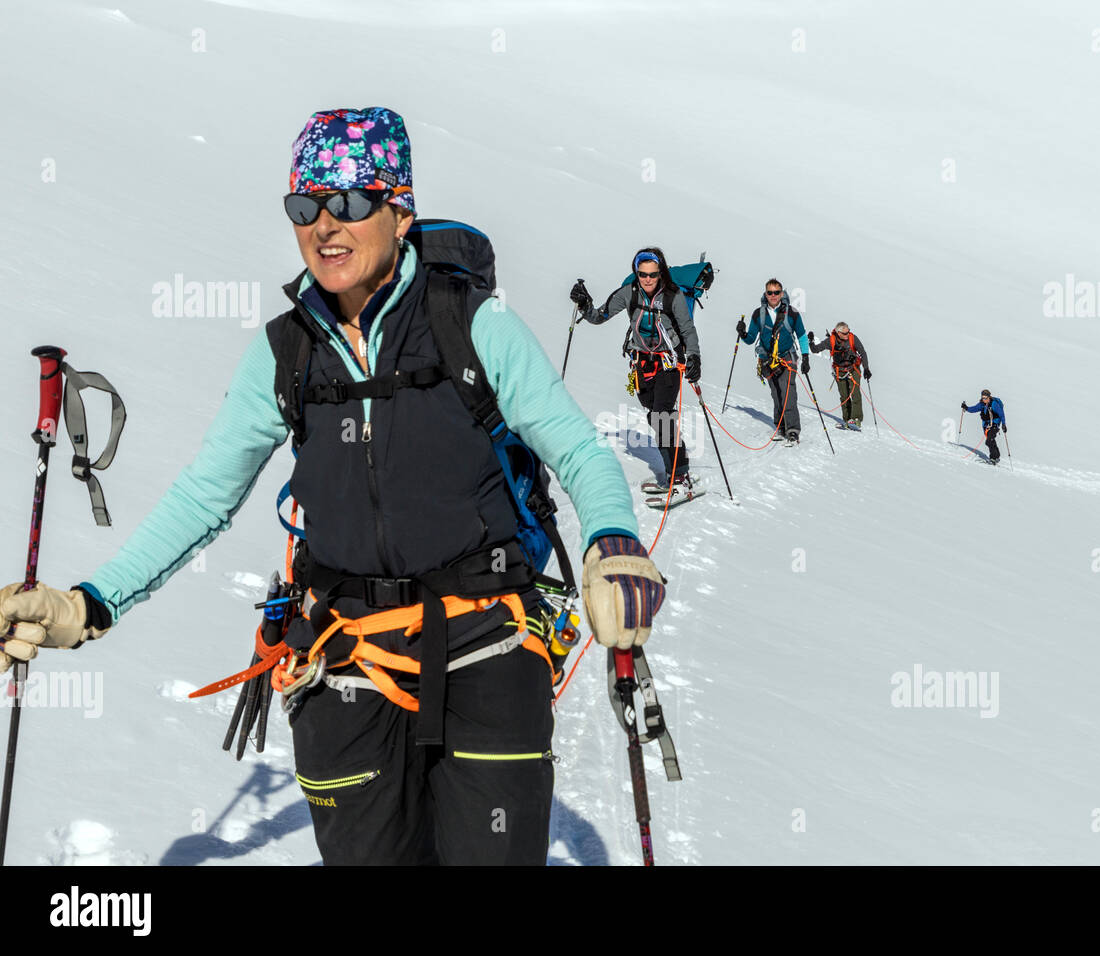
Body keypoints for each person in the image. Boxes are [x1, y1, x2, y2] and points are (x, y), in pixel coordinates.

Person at [0, 106, 668, 866]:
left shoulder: (474, 327)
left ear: (400, 207)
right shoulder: (284, 354)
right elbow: (203, 498)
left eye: (350, 201)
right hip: (344, 656)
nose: (325, 224)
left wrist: (614, 542)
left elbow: (579, 450)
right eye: (304, 205)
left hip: (486, 641)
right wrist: (89, 603)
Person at [569, 251, 700, 486]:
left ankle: (678, 475)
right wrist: (584, 304)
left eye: (653, 274)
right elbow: (600, 316)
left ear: (661, 273)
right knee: (655, 412)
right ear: (636, 272)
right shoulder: (628, 293)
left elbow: (688, 329)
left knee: (661, 414)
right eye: (642, 274)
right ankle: (677, 460)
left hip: (668, 362)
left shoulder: (673, 296)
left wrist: (694, 357)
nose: (648, 279)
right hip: (642, 363)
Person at [738, 278, 809, 443]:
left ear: (782, 293)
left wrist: (805, 357)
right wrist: (742, 333)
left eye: (776, 292)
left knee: (788, 392)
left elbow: (802, 336)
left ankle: (792, 429)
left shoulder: (791, 313)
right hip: (767, 360)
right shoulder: (758, 314)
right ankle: (780, 426)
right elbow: (750, 339)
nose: (773, 296)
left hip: (787, 356)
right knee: (776, 394)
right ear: (766, 294)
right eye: (770, 292)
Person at [809, 321, 871, 429]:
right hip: (839, 371)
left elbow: (862, 352)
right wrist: (810, 341)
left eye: (848, 332)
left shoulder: (852, 338)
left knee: (855, 392)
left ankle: (856, 419)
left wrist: (866, 368)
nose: (847, 335)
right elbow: (815, 350)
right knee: (844, 395)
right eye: (844, 333)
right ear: (838, 333)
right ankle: (847, 420)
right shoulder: (831, 341)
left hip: (853, 369)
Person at [961, 389, 1007, 464]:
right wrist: (966, 408)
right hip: (986, 426)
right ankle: (997, 456)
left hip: (994, 424)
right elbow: (974, 409)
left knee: (989, 441)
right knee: (991, 440)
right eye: (983, 398)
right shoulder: (982, 404)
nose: (984, 399)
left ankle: (993, 458)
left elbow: (1001, 414)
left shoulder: (994, 404)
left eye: (985, 398)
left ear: (989, 397)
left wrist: (1004, 424)